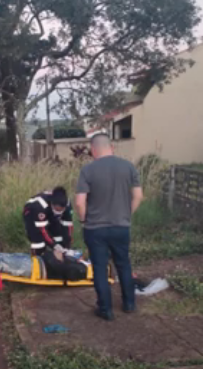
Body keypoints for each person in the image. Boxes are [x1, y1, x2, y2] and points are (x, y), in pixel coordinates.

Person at [75, 134, 144, 321]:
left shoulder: (87, 170)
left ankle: (105, 309)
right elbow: (138, 196)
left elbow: (80, 203)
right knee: (123, 264)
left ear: (93, 150)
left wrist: (83, 221)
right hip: (121, 226)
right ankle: (129, 304)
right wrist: (126, 215)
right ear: (111, 147)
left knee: (99, 268)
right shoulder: (128, 167)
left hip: (95, 229)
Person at [22, 187, 77, 279]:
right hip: (31, 213)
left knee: (59, 236)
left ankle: (57, 265)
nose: (59, 211)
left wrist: (66, 246)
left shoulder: (67, 205)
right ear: (52, 203)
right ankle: (37, 266)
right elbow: (42, 230)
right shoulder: (39, 206)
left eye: (61, 210)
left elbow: (68, 226)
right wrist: (53, 245)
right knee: (38, 241)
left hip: (50, 214)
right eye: (57, 209)